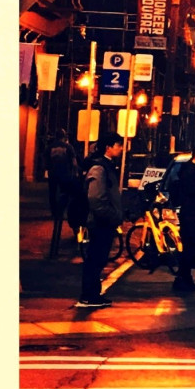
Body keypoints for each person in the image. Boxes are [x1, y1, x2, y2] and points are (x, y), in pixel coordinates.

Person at [76, 131, 124, 308]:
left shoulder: (107, 166)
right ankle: (89, 295)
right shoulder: (99, 168)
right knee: (95, 258)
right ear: (108, 147)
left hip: (103, 220)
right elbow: (96, 198)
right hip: (100, 222)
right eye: (118, 145)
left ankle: (93, 294)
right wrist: (112, 216)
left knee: (99, 258)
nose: (121, 149)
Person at [171, 141, 195, 292]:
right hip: (193, 213)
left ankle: (183, 278)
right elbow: (192, 190)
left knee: (189, 247)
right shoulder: (193, 171)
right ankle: (184, 279)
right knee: (190, 247)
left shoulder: (185, 169)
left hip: (188, 212)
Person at [45, 129, 78, 260]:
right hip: (65, 175)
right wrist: (74, 172)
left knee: (52, 193)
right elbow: (74, 161)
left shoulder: (50, 147)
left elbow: (45, 159)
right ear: (64, 137)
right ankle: (62, 211)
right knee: (66, 193)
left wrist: (48, 168)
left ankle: (54, 211)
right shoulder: (68, 147)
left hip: (53, 173)